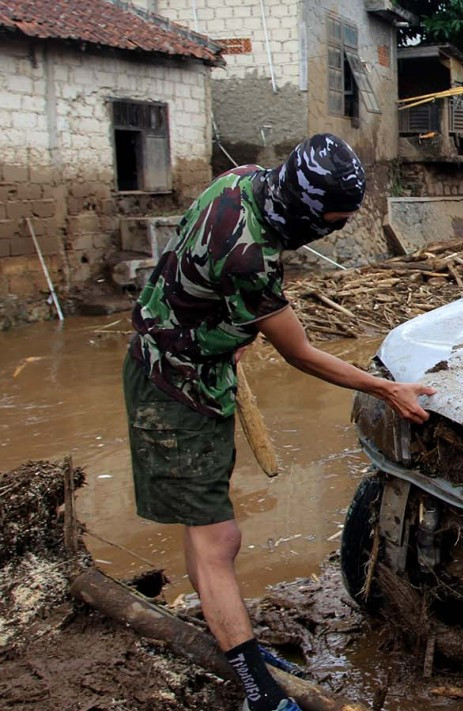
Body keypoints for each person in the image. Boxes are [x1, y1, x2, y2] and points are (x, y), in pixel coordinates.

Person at [124, 135, 435, 711]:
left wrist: (231, 327)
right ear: (304, 212)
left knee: (203, 526)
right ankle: (256, 688)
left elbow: (194, 263)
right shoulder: (250, 258)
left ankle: (228, 635)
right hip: (171, 382)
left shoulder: (244, 181)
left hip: (202, 360)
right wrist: (387, 387)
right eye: (331, 224)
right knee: (218, 536)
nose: (332, 234)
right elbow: (302, 354)